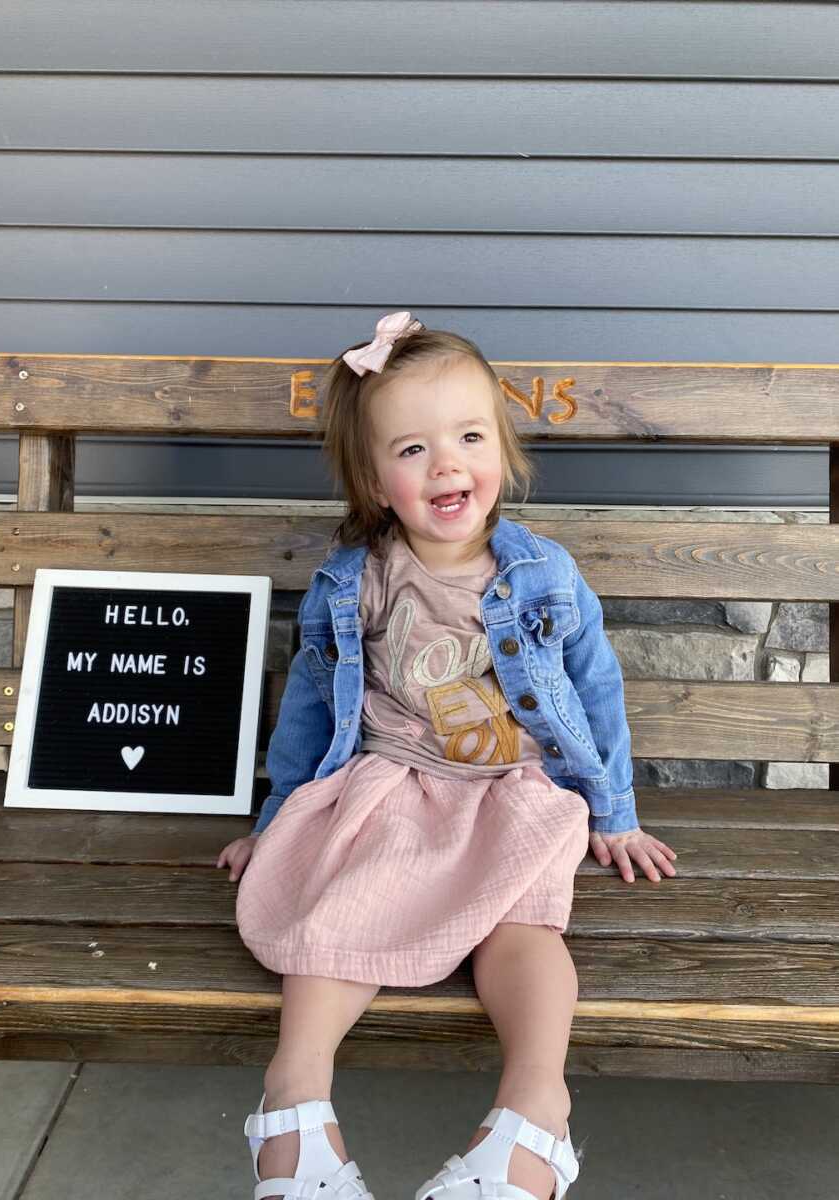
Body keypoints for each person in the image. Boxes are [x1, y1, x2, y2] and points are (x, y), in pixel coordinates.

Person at [216, 311, 678, 1200]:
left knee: (524, 929)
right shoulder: (357, 580)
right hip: (390, 785)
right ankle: (294, 1100)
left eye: (470, 437)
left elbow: (596, 690)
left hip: (513, 789)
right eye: (414, 449)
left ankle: (535, 1112)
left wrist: (614, 813)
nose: (447, 465)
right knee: (332, 913)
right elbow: (310, 711)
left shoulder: (543, 574)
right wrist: (273, 823)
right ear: (375, 479)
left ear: (501, 448)